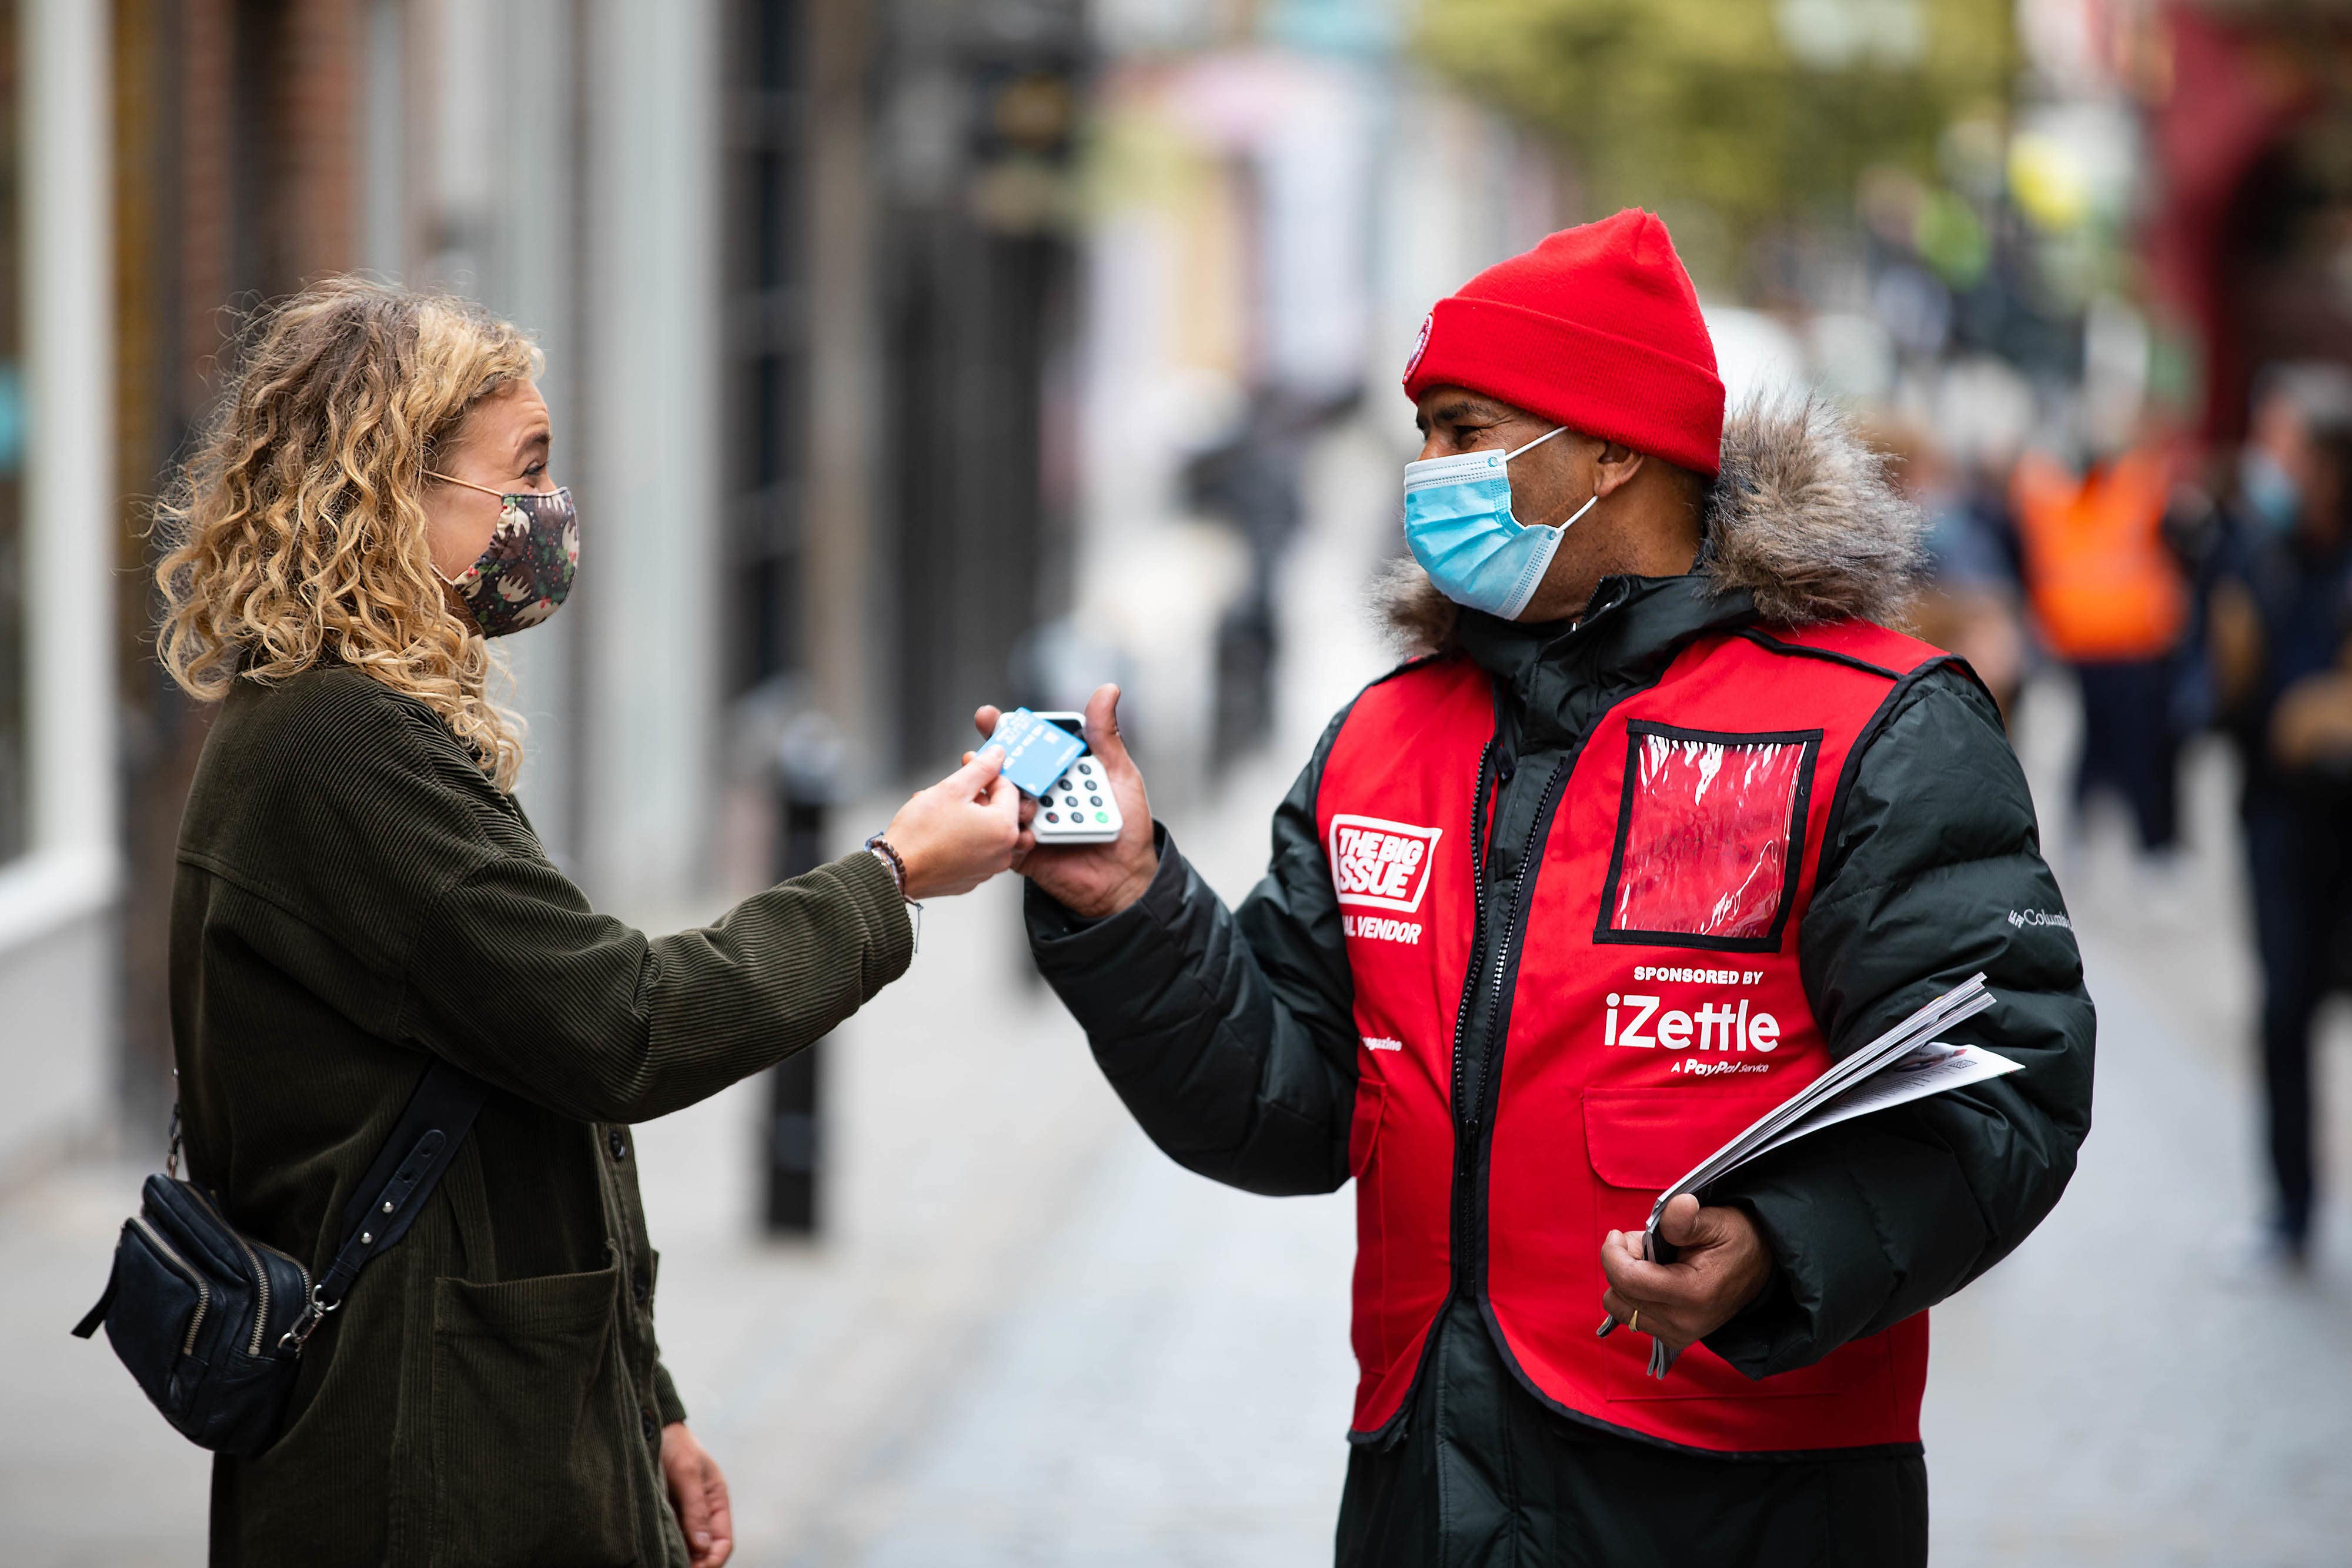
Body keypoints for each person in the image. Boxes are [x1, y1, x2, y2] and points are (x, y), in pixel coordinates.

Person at [990, 212, 2096, 1566]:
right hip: (1426, 1487)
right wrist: (1128, 904)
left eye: (1461, 429)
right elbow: (1286, 1111)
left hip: (1744, 1505)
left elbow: (2009, 1080)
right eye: (1422, 433)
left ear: (1611, 445)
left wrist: (1780, 1244)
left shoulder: (1873, 726)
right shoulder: (1384, 740)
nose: (1424, 470)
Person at [153, 279, 1028, 1567]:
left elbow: (527, 1098)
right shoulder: (339, 751)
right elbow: (619, 1022)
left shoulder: (350, 728)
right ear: (390, 490)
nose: (548, 517)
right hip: (420, 1453)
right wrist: (888, 877)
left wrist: (645, 1404)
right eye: (526, 472)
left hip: (486, 1411)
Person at [2210, 362, 2352, 1265]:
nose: (2270, 464)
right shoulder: (2249, 553)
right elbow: (2220, 694)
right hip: (2279, 819)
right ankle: (2291, 1206)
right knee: (2283, 1010)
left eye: (2286, 448)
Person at [2009, 436, 2191, 856]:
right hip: (2083, 651)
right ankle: (2087, 838)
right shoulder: (2054, 502)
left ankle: (2150, 846)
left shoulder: (2136, 492)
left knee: (2137, 751)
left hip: (2134, 649)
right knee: (2091, 748)